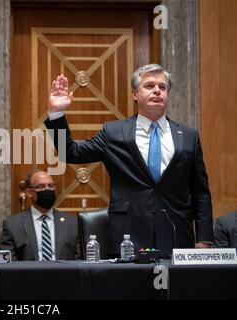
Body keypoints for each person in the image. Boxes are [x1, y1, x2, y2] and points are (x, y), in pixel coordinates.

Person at [45, 64, 213, 258]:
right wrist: (56, 113)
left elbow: (200, 192)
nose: (157, 90)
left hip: (177, 235)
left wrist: (204, 238)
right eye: (149, 86)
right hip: (128, 236)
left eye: (162, 87)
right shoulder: (114, 133)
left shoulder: (188, 136)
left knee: (176, 289)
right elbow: (70, 153)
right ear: (135, 94)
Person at [0, 169, 80, 261]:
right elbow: (8, 262)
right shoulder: (12, 225)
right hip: (29, 274)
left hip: (65, 274)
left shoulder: (72, 223)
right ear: (29, 192)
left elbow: (79, 260)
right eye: (41, 186)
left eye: (51, 186)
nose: (47, 189)